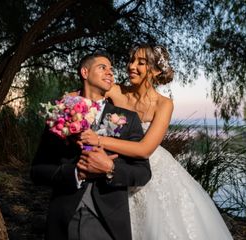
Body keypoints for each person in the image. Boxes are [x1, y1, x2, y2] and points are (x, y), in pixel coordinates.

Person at [78, 44, 233, 239]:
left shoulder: (164, 104)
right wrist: (66, 108)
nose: (132, 66)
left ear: (155, 71)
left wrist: (99, 140)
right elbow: (82, 96)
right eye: (131, 60)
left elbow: (145, 150)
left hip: (154, 171)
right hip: (120, 168)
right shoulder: (115, 92)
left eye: (141, 63)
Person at [30, 52, 151, 240]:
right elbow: (37, 170)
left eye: (112, 69)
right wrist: (77, 173)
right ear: (84, 72)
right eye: (103, 67)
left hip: (108, 221)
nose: (110, 72)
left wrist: (110, 168)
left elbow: (143, 172)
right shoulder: (60, 114)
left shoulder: (128, 119)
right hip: (64, 218)